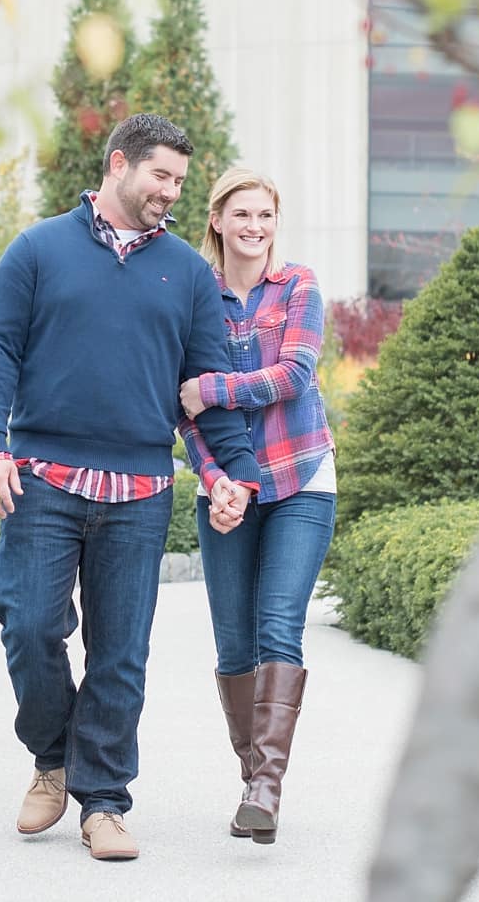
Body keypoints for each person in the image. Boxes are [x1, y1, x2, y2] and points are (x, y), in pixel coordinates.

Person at [0, 114, 259, 863]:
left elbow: (203, 389)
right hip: (41, 478)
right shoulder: (37, 249)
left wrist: (234, 475)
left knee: (120, 652)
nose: (171, 192)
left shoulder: (190, 274)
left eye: (180, 182)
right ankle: (51, 757)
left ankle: (103, 802)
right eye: (161, 175)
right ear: (119, 164)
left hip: (140, 487)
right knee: (30, 626)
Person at [177, 166, 337, 845]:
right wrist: (217, 478)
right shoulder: (194, 298)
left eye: (265, 216)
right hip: (230, 489)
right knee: (233, 643)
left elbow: (293, 377)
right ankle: (253, 778)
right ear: (217, 219)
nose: (254, 227)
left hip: (301, 475)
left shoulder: (297, 285)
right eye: (241, 214)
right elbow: (182, 411)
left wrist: (213, 387)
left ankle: (267, 786)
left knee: (278, 626)